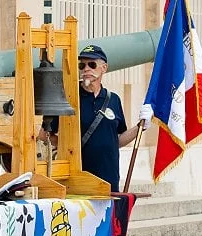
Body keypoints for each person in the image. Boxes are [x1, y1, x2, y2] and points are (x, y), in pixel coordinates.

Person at [39, 44, 153, 192]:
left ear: (104, 68)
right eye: (82, 65)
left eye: (92, 64)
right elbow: (44, 134)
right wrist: (69, 145)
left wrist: (140, 127)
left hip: (109, 180)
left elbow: (117, 140)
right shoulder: (68, 98)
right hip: (79, 180)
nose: (86, 69)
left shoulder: (113, 100)